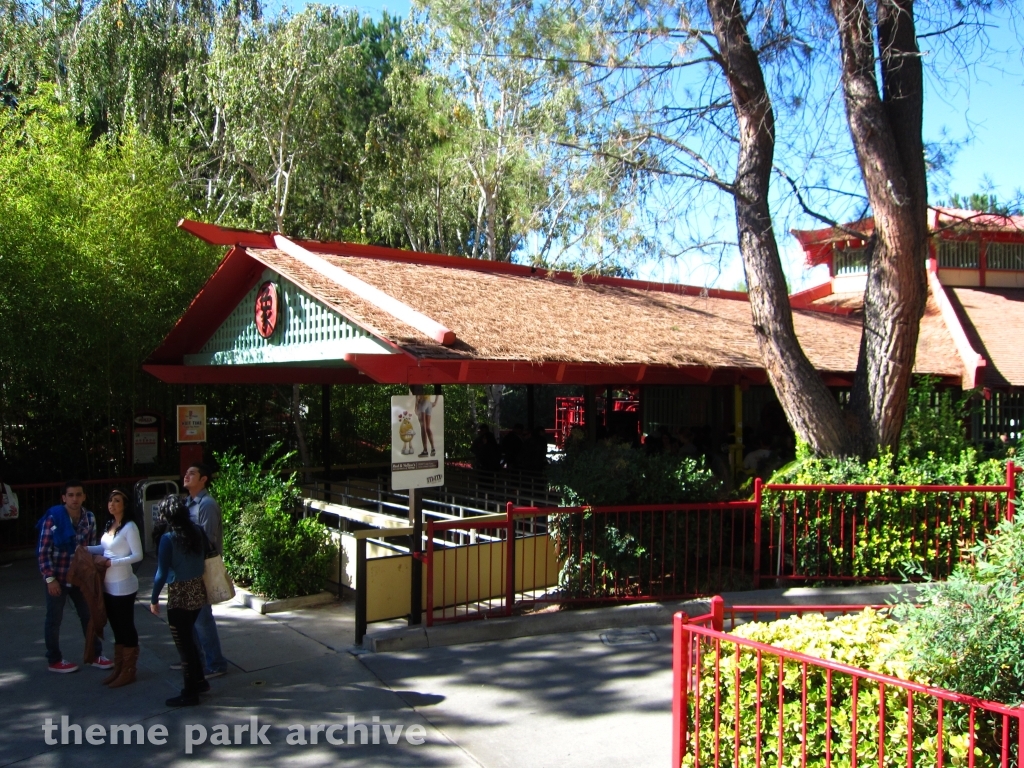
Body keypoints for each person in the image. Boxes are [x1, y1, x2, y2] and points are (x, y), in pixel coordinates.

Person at [36, 480, 113, 673]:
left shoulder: (89, 518)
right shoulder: (54, 518)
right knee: (54, 619)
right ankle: (54, 660)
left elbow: (92, 547)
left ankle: (95, 654)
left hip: (80, 577)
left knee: (89, 616)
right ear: (64, 498)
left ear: (84, 496)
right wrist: (49, 578)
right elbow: (43, 550)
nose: (75, 499)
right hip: (59, 576)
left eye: (78, 494)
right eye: (70, 495)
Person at [149, 495, 209, 707]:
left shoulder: (168, 539)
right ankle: (200, 681)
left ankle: (190, 691)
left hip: (180, 596)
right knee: (189, 640)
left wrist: (154, 598)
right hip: (198, 591)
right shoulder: (197, 531)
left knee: (184, 646)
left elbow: (161, 574)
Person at [86, 490, 143, 687]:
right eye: (110, 500)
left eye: (117, 500)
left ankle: (129, 669)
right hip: (108, 584)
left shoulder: (130, 527)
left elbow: (137, 555)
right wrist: (85, 550)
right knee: (116, 627)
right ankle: (120, 667)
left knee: (126, 625)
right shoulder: (110, 525)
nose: (112, 503)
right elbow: (105, 549)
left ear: (125, 505)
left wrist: (112, 563)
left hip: (123, 584)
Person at [182, 462, 228, 678]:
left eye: (193, 473)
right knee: (189, 617)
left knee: (202, 617)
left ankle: (216, 663)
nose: (187, 476)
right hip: (187, 567)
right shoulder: (187, 503)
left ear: (203, 480)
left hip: (200, 568)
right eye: (186, 473)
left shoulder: (206, 504)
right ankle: (195, 659)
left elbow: (208, 541)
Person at [415, 393, 439, 458]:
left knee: (423, 427)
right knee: (428, 427)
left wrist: (416, 405)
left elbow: (418, 395)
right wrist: (435, 402)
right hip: (429, 403)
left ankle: (425, 451)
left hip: (422, 402)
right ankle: (433, 448)